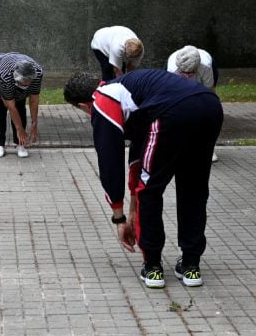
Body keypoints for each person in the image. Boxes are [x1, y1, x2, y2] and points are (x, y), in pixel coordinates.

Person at [65, 69, 223, 289]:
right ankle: (191, 265)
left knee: (149, 192)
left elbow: (110, 161)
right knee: (193, 189)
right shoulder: (133, 91)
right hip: (210, 106)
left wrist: (119, 218)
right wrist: (131, 210)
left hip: (171, 113)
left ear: (83, 105)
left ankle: (153, 267)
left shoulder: (102, 98)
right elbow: (138, 158)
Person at [167, 45, 221, 163]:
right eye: (184, 73)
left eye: (190, 73)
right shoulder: (172, 69)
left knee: (206, 110)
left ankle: (209, 148)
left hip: (205, 72)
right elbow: (172, 97)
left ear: (196, 68)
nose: (187, 76)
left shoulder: (206, 67)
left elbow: (210, 95)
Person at [0, 52, 42, 158]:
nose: (25, 85)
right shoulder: (4, 76)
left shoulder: (37, 73)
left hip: (10, 69)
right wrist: (20, 129)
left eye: (28, 83)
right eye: (23, 83)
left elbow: (34, 100)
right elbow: (11, 106)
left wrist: (34, 124)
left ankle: (20, 144)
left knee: (20, 106)